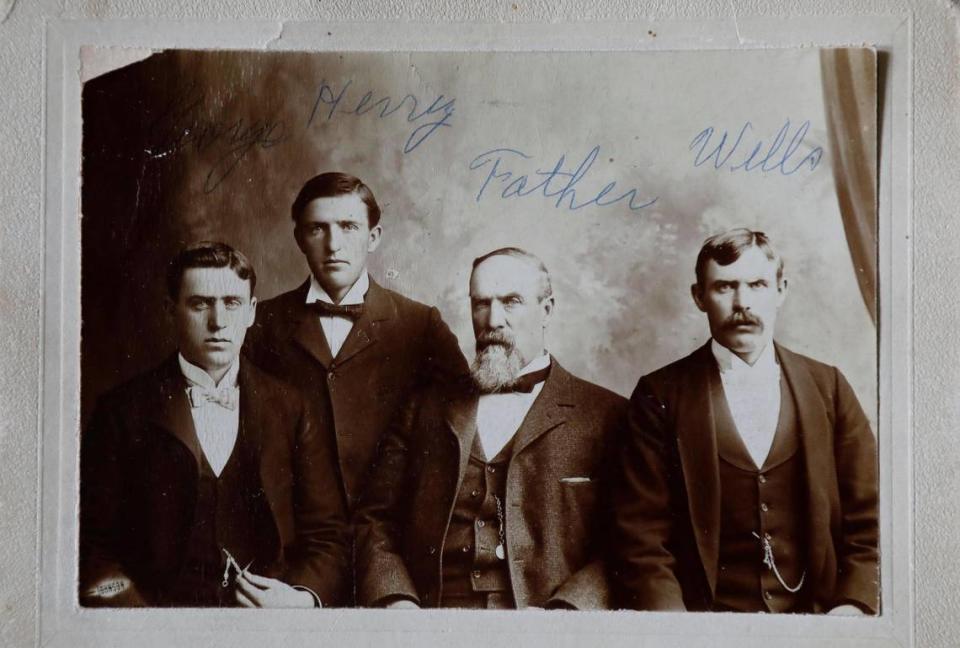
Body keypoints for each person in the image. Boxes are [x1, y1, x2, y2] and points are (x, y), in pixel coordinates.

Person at [609, 228, 879, 614]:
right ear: (699, 297)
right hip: (703, 629)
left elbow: (870, 520)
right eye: (724, 287)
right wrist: (675, 630)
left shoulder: (829, 389)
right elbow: (642, 537)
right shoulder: (659, 395)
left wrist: (851, 606)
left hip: (819, 623)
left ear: (781, 291)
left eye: (757, 285)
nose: (742, 303)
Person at [354, 247, 626, 609]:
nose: (493, 319)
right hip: (431, 619)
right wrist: (396, 599)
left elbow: (628, 541)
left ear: (546, 310)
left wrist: (569, 609)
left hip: (549, 626)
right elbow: (374, 519)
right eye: (481, 303)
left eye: (511, 302)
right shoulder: (424, 408)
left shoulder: (606, 414)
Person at [79, 242, 349, 607]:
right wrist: (142, 625)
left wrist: (299, 600)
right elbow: (93, 551)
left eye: (232, 303)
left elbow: (329, 538)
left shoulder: (292, 407)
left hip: (268, 628)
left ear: (252, 311)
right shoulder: (122, 411)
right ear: (170, 310)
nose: (218, 321)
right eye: (200, 303)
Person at [244, 172, 468, 514]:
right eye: (318, 228)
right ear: (300, 239)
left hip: (392, 531)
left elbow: (462, 426)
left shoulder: (421, 325)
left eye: (348, 226)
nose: (333, 245)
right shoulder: (261, 324)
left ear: (373, 236)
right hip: (298, 536)